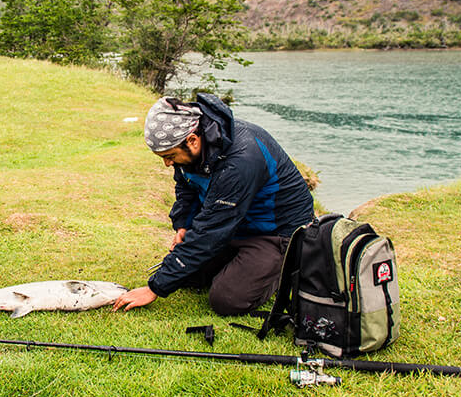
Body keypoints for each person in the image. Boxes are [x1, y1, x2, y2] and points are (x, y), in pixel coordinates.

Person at [113, 94, 314, 315]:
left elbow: (211, 230)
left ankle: (283, 269)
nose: (167, 163)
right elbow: (186, 188)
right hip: (236, 224)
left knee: (227, 300)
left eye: (170, 155)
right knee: (188, 276)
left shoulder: (240, 160)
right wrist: (183, 225)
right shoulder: (194, 150)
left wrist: (154, 288)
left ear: (192, 140)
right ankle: (237, 263)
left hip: (277, 233)